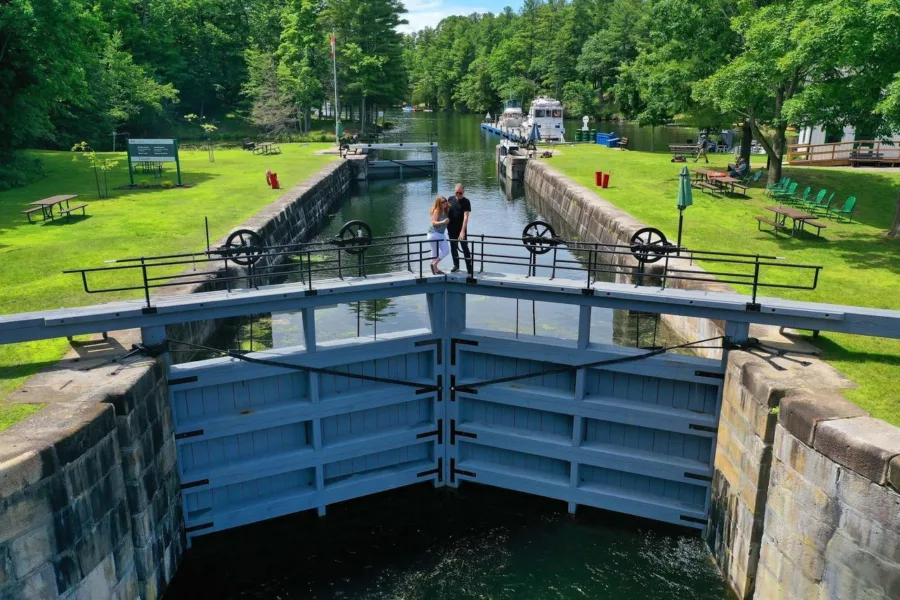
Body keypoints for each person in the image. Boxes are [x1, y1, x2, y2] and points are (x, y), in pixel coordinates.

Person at [447, 183, 473, 275]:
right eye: (456, 193)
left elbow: (466, 217)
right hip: (451, 228)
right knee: (453, 247)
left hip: (461, 229)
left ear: (463, 192)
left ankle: (469, 268)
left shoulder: (466, 202)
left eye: (460, 193)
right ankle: (456, 266)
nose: (458, 195)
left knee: (465, 248)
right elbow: (445, 211)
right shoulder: (450, 199)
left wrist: (462, 232)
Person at [427, 195, 450, 274]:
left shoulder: (446, 209)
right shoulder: (437, 210)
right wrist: (443, 222)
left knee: (437, 252)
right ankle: (434, 265)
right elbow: (433, 222)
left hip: (439, 233)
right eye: (442, 202)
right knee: (444, 251)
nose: (445, 203)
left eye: (445, 201)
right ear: (439, 203)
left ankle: (434, 267)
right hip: (434, 233)